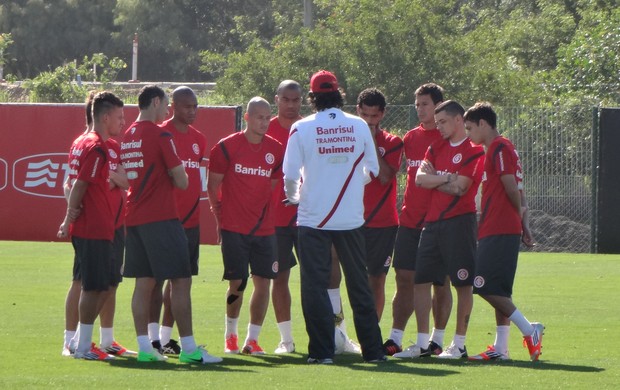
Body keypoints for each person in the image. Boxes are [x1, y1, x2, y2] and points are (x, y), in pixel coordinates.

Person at [283, 70, 386, 364]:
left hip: (313, 218)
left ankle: (321, 352)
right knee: (359, 284)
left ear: (312, 97)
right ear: (339, 94)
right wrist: (352, 185)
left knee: (314, 285)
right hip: (351, 218)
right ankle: (373, 352)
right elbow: (373, 170)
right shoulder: (358, 125)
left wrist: (295, 198)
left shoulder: (301, 128)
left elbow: (290, 175)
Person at [121, 85, 221, 364]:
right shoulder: (161, 133)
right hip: (162, 217)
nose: (167, 110)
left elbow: (127, 177)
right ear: (156, 102)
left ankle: (145, 348)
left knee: (144, 283)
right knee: (181, 281)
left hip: (136, 216)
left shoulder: (128, 134)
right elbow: (182, 179)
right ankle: (189, 350)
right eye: (166, 104)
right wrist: (177, 176)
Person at [397, 100, 484, 359]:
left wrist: (438, 181)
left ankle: (458, 344)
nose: (440, 128)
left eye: (443, 122)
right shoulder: (436, 147)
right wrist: (447, 178)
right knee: (420, 280)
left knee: (462, 284)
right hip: (431, 224)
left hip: (460, 223)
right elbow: (419, 179)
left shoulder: (473, 150)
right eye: (437, 123)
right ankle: (423, 344)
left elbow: (462, 188)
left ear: (459, 120)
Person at [463, 102, 544, 361]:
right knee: (499, 289)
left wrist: (519, 220)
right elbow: (520, 191)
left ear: (484, 124)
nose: (468, 134)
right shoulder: (504, 148)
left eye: (470, 128)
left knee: (483, 285)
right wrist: (524, 222)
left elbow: (511, 186)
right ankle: (501, 348)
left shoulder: (498, 147)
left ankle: (530, 329)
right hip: (499, 225)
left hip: (499, 225)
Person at [207, 97, 284, 356]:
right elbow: (213, 186)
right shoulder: (226, 147)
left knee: (264, 283)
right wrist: (221, 218)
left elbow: (271, 186)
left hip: (264, 229)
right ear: (247, 118)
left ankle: (252, 340)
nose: (264, 122)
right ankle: (231, 335)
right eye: (259, 117)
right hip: (234, 228)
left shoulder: (276, 150)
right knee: (237, 284)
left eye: (267, 117)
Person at [328, 88, 403, 340]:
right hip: (348, 219)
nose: (369, 121)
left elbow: (382, 176)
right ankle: (338, 331)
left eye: (374, 116)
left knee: (376, 280)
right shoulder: (344, 138)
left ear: (382, 115)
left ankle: (370, 335)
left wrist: (370, 140)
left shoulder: (392, 143)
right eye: (365, 115)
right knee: (334, 274)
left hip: (382, 222)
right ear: (357, 111)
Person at [57, 91, 126, 360]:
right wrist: (68, 217)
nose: (123, 122)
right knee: (92, 286)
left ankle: (80, 342)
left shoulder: (82, 143)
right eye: (119, 117)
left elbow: (123, 180)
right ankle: (81, 345)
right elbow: (78, 185)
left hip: (101, 224)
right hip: (94, 226)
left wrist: (69, 217)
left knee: (100, 284)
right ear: (105, 117)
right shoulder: (97, 147)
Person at [386, 84, 453, 356]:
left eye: (424, 104)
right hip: (409, 220)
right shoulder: (411, 138)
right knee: (404, 278)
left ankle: (436, 340)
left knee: (440, 282)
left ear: (437, 106)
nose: (419, 109)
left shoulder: (447, 138)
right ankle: (395, 338)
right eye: (417, 104)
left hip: (437, 222)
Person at [148, 86, 207, 356]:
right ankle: (151, 339)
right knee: (155, 282)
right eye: (186, 106)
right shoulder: (161, 133)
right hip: (164, 222)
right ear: (172, 105)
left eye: (195, 106)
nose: (192, 111)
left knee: (181, 283)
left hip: (191, 222)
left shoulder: (199, 139)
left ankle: (166, 337)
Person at [266, 80, 303, 354]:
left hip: (309, 218)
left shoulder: (310, 127)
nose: (291, 105)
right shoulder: (264, 128)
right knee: (279, 278)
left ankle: (334, 335)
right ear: (276, 99)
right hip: (275, 220)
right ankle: (286, 340)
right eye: (286, 99)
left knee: (322, 278)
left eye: (296, 99)